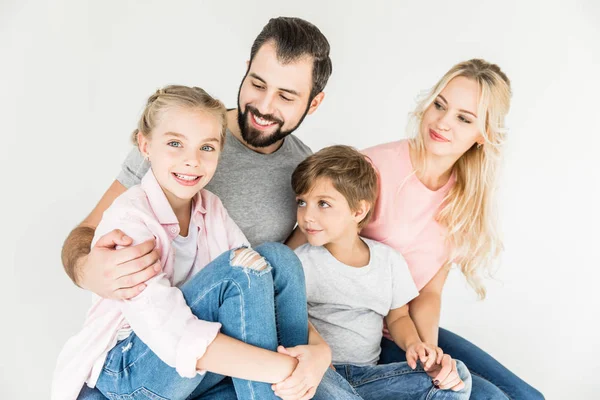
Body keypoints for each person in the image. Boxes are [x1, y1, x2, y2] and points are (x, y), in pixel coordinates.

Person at [59, 17, 359, 400]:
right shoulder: (177, 133)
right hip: (155, 343)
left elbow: (281, 291)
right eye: (257, 83)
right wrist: (88, 270)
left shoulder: (301, 177)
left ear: (313, 103)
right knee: (241, 273)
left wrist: (318, 353)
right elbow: (86, 235)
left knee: (277, 260)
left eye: (286, 96)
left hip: (230, 339)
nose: (265, 105)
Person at [361, 59, 544, 399]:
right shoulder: (372, 168)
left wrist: (429, 350)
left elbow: (429, 292)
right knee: (491, 398)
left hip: (409, 332)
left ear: (483, 135)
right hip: (359, 332)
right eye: (439, 105)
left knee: (527, 397)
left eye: (463, 118)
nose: (442, 122)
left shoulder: (465, 194)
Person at [290, 145, 472, 400]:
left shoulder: (388, 261)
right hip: (320, 376)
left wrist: (414, 345)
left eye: (323, 204)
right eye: (302, 202)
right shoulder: (300, 262)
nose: (307, 215)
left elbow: (398, 317)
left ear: (359, 211)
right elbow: (290, 321)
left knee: (457, 376)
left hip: (368, 378)